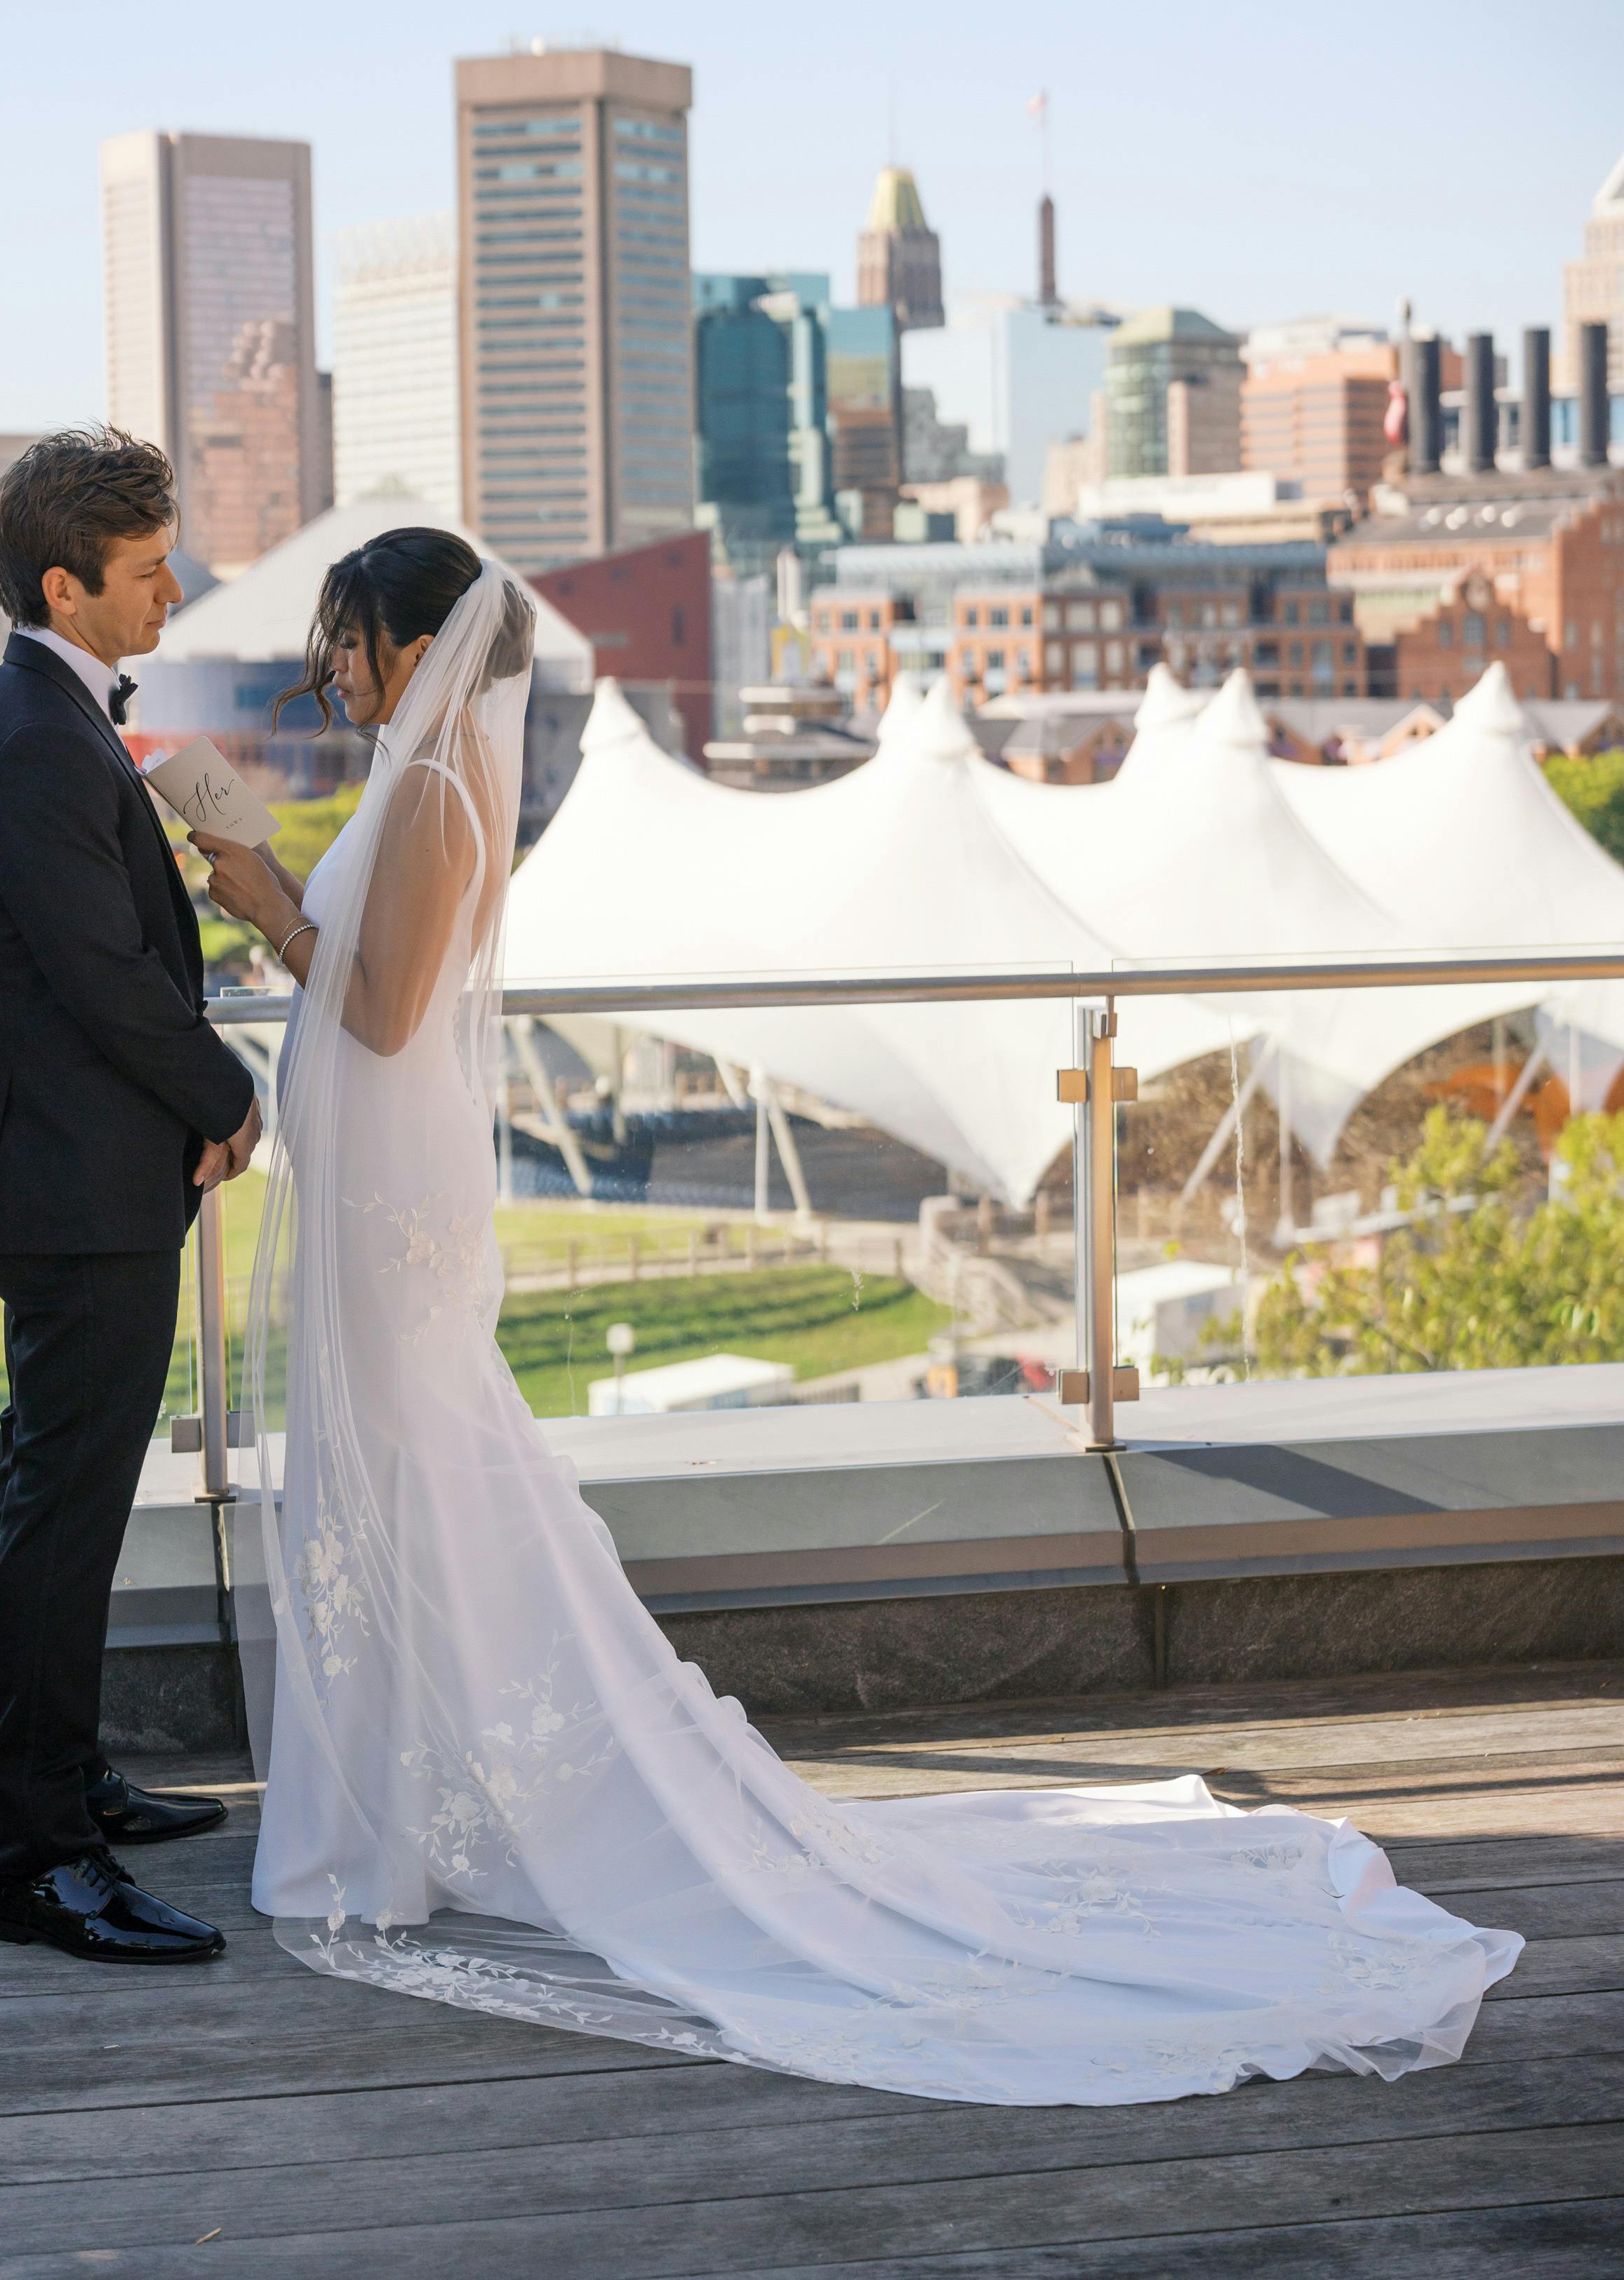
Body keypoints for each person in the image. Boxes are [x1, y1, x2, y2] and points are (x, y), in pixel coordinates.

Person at [201, 528, 1522, 2107]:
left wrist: (263, 896)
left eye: (348, 639)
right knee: (411, 1484)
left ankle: (406, 1815)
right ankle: (410, 1803)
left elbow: (382, 1002)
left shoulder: (427, 795)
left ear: (414, 643)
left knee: (419, 1474)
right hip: (385, 1187)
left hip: (391, 1199)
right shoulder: (428, 784)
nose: (333, 669)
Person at [0, 429, 260, 1965]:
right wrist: (232, 1094)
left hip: (81, 1180)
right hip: (73, 1193)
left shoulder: (52, 723)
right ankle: (39, 1860)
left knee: (57, 1509)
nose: (173, 587)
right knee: (62, 1521)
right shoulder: (26, 739)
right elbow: (104, 982)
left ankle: (62, 1785)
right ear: (66, 584)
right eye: (146, 571)